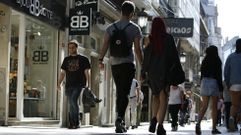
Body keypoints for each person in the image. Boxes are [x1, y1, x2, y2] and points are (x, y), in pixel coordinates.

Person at [98, 1, 143, 133]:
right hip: (128, 64)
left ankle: (120, 119)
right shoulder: (135, 28)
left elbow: (105, 45)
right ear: (132, 14)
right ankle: (119, 119)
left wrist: (100, 60)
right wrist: (144, 66)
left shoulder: (111, 28)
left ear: (121, 11)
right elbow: (138, 50)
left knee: (119, 91)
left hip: (115, 63)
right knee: (125, 93)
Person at [142, 17, 183, 135]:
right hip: (165, 72)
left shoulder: (148, 39)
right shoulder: (169, 38)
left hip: (153, 73)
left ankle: (154, 118)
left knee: (155, 96)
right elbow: (175, 56)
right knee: (163, 98)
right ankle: (160, 125)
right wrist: (177, 72)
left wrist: (143, 72)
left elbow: (146, 58)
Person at [57, 39, 91, 129]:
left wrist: (88, 84)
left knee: (73, 101)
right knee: (71, 103)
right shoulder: (66, 59)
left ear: (76, 48)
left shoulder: (83, 59)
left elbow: (87, 72)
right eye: (69, 48)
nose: (71, 49)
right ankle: (73, 122)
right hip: (68, 84)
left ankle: (75, 122)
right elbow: (62, 72)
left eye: (72, 48)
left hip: (79, 84)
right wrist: (58, 83)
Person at [195, 45, 223, 134]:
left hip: (204, 82)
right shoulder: (218, 61)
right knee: (214, 107)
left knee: (204, 106)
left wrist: (201, 83)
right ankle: (214, 128)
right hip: (214, 82)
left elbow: (202, 74)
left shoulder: (204, 61)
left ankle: (198, 123)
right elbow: (219, 75)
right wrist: (221, 88)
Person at [224, 38, 241, 132]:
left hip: (234, 84)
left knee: (234, 105)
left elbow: (226, 71)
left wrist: (228, 83)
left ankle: (231, 118)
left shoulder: (230, 57)